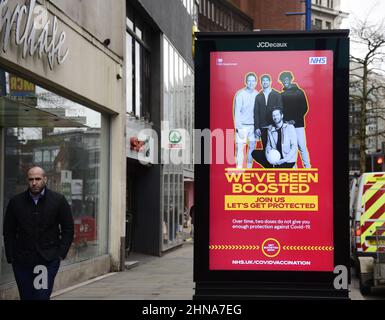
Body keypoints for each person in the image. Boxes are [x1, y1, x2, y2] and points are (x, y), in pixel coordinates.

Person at [3, 166, 74, 300]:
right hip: (22, 260)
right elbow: (9, 231)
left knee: (41, 297)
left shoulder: (58, 200)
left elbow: (68, 228)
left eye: (38, 179)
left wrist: (60, 254)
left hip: (47, 260)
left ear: (45, 179)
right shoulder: (16, 202)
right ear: (27, 181)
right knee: (26, 297)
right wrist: (11, 256)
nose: (34, 183)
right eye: (31, 179)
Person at [279, 71, 311, 168]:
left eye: (287, 78)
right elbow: (281, 109)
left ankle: (307, 167)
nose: (285, 81)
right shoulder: (282, 94)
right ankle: (293, 168)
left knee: (301, 146)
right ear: (281, 81)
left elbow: (304, 107)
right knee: (289, 147)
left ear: (291, 79)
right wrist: (284, 121)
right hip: (286, 125)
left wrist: (295, 120)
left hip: (298, 124)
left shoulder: (299, 92)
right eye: (283, 79)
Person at [233, 72, 258, 168]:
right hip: (242, 125)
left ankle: (249, 167)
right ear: (246, 82)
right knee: (240, 148)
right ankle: (239, 168)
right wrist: (238, 128)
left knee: (252, 147)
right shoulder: (240, 94)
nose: (251, 83)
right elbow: (237, 112)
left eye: (253, 81)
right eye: (249, 81)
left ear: (256, 82)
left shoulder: (257, 94)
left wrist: (257, 127)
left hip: (253, 126)